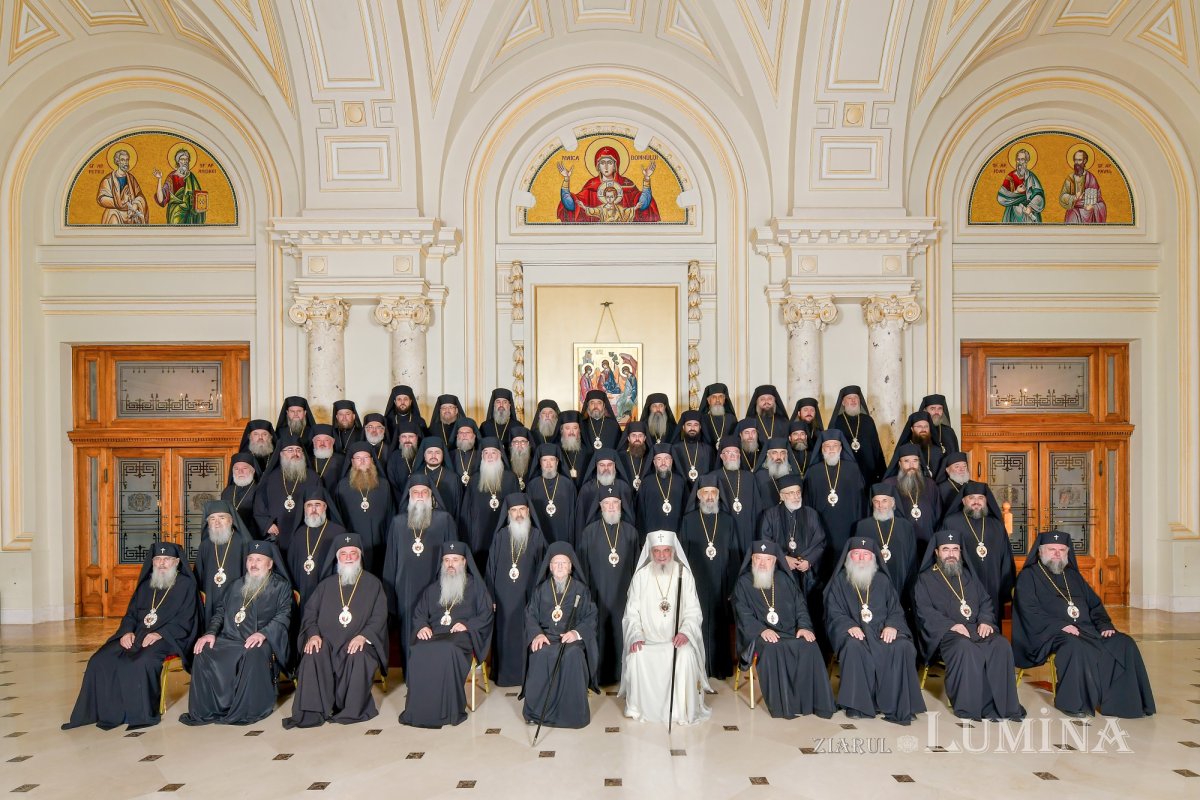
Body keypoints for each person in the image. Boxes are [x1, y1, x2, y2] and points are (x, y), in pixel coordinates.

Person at [1013, 531, 1155, 718]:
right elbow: (1028, 610)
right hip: (1048, 633)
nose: (1057, 554)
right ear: (1040, 552)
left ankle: (1123, 702)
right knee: (1075, 646)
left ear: (1067, 553)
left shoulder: (1072, 575)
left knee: (1123, 643)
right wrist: (1059, 625)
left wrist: (1104, 625)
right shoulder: (1028, 576)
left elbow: (1094, 604)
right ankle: (1072, 703)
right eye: (1052, 549)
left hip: (1086, 629)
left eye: (1061, 550)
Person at [63, 542, 201, 730]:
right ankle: (101, 712)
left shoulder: (186, 585)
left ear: (176, 562)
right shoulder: (147, 584)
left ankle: (140, 714)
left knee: (141, 661)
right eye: (157, 559)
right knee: (100, 659)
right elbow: (130, 614)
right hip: (137, 634)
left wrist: (161, 634)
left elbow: (188, 619)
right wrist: (127, 631)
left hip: (170, 637)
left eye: (166, 559)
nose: (161, 564)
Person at [913, 532, 1024, 722]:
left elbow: (985, 602)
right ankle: (970, 707)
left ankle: (1003, 705)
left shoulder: (968, 575)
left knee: (1000, 644)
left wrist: (986, 621)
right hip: (947, 634)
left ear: (960, 552)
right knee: (965, 648)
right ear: (936, 552)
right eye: (945, 549)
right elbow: (923, 611)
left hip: (975, 628)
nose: (950, 554)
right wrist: (951, 625)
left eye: (955, 549)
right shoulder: (925, 579)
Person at [180, 540, 293, 726]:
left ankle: (247, 709)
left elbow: (283, 616)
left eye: (259, 559)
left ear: (270, 563)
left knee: (254, 651)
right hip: (231, 638)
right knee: (204, 651)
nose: (254, 564)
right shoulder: (235, 585)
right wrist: (210, 633)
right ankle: (209, 708)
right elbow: (220, 612)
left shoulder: (280, 586)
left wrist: (262, 633)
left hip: (260, 640)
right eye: (250, 559)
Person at [284, 533, 389, 728]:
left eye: (353, 553)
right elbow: (310, 614)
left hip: (357, 642)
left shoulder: (373, 584)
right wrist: (313, 635)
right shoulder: (325, 585)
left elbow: (379, 616)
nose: (348, 557)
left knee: (359, 656)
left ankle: (351, 710)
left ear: (360, 556)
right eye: (343, 554)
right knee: (312, 652)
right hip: (327, 642)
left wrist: (364, 636)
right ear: (337, 557)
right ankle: (313, 711)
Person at [823, 536, 925, 725]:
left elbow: (895, 610)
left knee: (902, 646)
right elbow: (833, 612)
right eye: (856, 554)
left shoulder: (883, 581)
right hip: (854, 631)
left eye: (866, 555)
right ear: (849, 557)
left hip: (881, 630)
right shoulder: (839, 581)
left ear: (873, 558)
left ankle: (898, 704)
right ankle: (858, 705)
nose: (861, 559)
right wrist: (849, 626)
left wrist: (892, 626)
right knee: (853, 647)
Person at [732, 541, 835, 719]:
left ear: (775, 561)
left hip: (789, 631)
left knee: (810, 645)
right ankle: (782, 706)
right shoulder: (744, 582)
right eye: (758, 559)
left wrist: (804, 627)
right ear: (752, 560)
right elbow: (742, 613)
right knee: (773, 647)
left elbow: (800, 607)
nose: (763, 564)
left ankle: (813, 703)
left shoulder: (785, 579)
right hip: (758, 635)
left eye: (768, 559)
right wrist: (761, 630)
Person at [619, 530, 711, 725]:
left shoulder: (683, 574)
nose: (661, 556)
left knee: (685, 656)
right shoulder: (641, 577)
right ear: (650, 552)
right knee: (636, 656)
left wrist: (686, 632)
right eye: (657, 551)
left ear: (673, 551)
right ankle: (638, 708)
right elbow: (631, 613)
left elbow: (693, 611)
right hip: (648, 641)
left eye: (666, 551)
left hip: (675, 641)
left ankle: (681, 710)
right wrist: (635, 635)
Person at [399, 542, 494, 728]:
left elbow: (486, 614)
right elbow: (419, 614)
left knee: (447, 648)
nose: (451, 564)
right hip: (434, 634)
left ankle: (449, 710)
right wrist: (422, 626)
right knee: (418, 649)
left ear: (464, 562)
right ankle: (420, 709)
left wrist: (466, 625)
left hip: (461, 637)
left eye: (455, 560)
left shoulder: (476, 587)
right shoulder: (433, 588)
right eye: (447, 560)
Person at [382, 475, 459, 668]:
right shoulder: (398, 523)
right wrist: (389, 596)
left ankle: (435, 677)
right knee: (409, 632)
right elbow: (391, 561)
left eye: (424, 492)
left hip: (437, 586)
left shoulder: (444, 520)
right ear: (409, 496)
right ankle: (411, 677)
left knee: (436, 630)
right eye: (415, 492)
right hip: (405, 589)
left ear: (431, 496)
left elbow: (454, 555)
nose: (419, 496)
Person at [521, 543, 599, 728]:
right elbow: (530, 614)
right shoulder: (541, 590)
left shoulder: (580, 589)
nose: (560, 567)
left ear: (571, 566)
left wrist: (576, 632)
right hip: (547, 637)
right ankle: (536, 713)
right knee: (540, 653)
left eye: (564, 563)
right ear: (550, 566)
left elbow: (591, 615)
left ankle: (572, 714)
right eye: (556, 563)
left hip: (570, 640)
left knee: (573, 655)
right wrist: (537, 635)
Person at [678, 477, 740, 679]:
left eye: (713, 492)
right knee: (697, 623)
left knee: (720, 626)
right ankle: (697, 668)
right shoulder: (688, 520)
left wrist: (732, 586)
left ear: (719, 495)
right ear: (698, 496)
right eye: (705, 493)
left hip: (721, 584)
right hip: (696, 583)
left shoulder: (728, 521)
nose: (710, 497)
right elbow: (681, 556)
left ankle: (720, 668)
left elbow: (734, 555)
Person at [576, 492, 640, 685]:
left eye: (615, 503)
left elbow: (638, 568)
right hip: (597, 595)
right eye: (607, 503)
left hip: (624, 596)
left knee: (622, 632)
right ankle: (598, 675)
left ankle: (624, 675)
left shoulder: (631, 532)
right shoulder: (589, 532)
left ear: (621, 506)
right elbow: (582, 568)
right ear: (600, 506)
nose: (611, 507)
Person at [485, 494, 548, 686]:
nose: (519, 514)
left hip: (529, 597)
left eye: (522, 510)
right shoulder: (500, 536)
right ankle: (505, 675)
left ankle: (527, 675)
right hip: (503, 598)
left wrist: (540, 599)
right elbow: (490, 569)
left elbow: (544, 570)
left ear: (528, 512)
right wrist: (491, 597)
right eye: (514, 510)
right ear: (508, 513)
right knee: (504, 636)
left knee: (526, 633)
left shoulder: (537, 536)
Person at [939, 481, 1016, 622]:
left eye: (980, 498)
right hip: (962, 582)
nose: (976, 502)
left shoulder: (996, 525)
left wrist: (1005, 585)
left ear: (986, 500)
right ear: (963, 501)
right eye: (971, 498)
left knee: (991, 623)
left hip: (992, 584)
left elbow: (1005, 557)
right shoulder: (951, 522)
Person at [757, 475, 826, 608]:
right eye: (791, 493)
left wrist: (809, 560)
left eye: (798, 492)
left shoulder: (811, 514)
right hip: (780, 571)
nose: (796, 496)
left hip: (806, 571)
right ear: (782, 496)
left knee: (809, 607)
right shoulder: (770, 515)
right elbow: (765, 542)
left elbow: (820, 541)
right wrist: (783, 558)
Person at [804, 430, 866, 576]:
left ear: (841, 448)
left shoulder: (852, 469)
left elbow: (860, 502)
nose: (831, 449)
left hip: (848, 526)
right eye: (827, 446)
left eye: (835, 446)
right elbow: (807, 503)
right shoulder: (813, 472)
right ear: (821, 449)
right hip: (821, 529)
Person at [457, 437, 519, 571]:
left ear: (500, 455)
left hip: (505, 533)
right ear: (482, 456)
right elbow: (466, 512)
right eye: (486, 453)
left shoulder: (510, 478)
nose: (490, 456)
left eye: (493, 452)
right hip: (479, 535)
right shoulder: (474, 480)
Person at [333, 442, 393, 576]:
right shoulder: (342, 486)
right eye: (358, 459)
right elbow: (337, 518)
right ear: (352, 462)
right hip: (352, 545)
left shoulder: (383, 485)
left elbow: (391, 514)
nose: (362, 462)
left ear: (372, 460)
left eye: (366, 458)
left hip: (380, 543)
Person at [193, 500, 254, 626]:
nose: (217, 523)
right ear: (208, 523)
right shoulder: (205, 545)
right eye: (212, 519)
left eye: (222, 517)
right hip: (211, 596)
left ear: (231, 520)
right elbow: (199, 573)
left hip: (237, 597)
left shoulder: (243, 542)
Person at [253, 435, 317, 548]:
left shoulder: (312, 477)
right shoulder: (270, 477)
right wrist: (266, 524)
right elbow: (259, 504)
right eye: (290, 450)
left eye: (298, 450)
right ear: (281, 454)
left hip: (304, 529)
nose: (295, 454)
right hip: (277, 530)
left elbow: (319, 502)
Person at [883, 443, 942, 553]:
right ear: (899, 463)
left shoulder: (930, 484)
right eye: (906, 461)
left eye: (915, 460)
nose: (911, 465)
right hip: (899, 541)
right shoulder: (889, 484)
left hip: (928, 541)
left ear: (919, 462)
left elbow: (938, 514)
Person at [709, 436, 764, 552]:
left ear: (739, 455)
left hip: (747, 529)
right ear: (721, 456)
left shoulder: (749, 477)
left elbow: (757, 507)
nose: (733, 455)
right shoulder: (713, 477)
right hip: (723, 529)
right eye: (728, 452)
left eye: (736, 452)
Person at [829, 386, 886, 484]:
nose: (853, 401)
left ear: (860, 401)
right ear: (843, 402)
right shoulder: (837, 421)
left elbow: (876, 448)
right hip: (845, 473)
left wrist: (882, 473)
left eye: (856, 397)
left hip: (869, 472)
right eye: (849, 398)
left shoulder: (868, 420)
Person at [528, 443, 577, 546]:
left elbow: (573, 514)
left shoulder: (567, 484)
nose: (548, 464)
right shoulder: (532, 485)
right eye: (545, 460)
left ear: (557, 462)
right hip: (540, 535)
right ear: (540, 463)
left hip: (563, 535)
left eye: (552, 460)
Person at [634, 444, 685, 534]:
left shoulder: (680, 481)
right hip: (652, 533)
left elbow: (685, 510)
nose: (663, 462)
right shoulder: (646, 482)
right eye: (659, 459)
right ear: (654, 462)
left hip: (677, 533)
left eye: (666, 458)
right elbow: (640, 512)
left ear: (672, 461)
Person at [97, 147, 148, 224]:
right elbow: (102, 199)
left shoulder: (131, 178)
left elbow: (139, 195)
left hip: (130, 211)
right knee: (113, 219)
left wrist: (135, 204)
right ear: (117, 161)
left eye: (127, 160)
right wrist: (121, 202)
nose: (125, 163)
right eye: (123, 160)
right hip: (115, 211)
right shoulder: (108, 180)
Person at [997, 146, 1044, 223]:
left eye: (1022, 160)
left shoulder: (1031, 177)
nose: (1020, 162)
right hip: (1013, 214)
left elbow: (1039, 195)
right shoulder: (1010, 176)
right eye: (1018, 159)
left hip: (1028, 213)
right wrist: (1016, 192)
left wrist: (1030, 207)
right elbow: (1001, 197)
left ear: (1026, 161)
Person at [1060, 148, 1107, 224]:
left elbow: (1100, 201)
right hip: (1073, 211)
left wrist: (1093, 207)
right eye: (1075, 160)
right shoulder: (1070, 178)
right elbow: (1062, 196)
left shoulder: (1091, 178)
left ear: (1084, 161)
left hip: (1089, 213)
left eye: (1079, 160)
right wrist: (1074, 197)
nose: (1076, 163)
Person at [221, 453, 262, 539]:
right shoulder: (227, 491)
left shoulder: (260, 490)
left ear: (253, 470)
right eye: (236, 469)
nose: (240, 472)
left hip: (253, 536)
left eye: (244, 468)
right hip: (231, 537)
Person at [671, 410, 713, 487]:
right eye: (689, 425)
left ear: (700, 427)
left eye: (696, 425)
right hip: (681, 489)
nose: (692, 428)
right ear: (683, 427)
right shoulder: (674, 448)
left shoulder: (708, 449)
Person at [699, 383, 737, 448]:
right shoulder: (703, 419)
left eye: (721, 397)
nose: (717, 400)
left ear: (724, 400)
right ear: (708, 401)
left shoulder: (731, 419)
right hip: (707, 455)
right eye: (714, 397)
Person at [310, 424, 344, 494]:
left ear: (333, 442)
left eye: (326, 440)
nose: (322, 443)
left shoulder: (342, 460)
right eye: (318, 440)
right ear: (313, 442)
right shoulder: (307, 459)